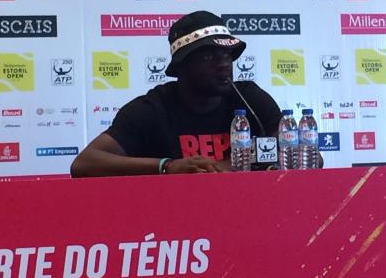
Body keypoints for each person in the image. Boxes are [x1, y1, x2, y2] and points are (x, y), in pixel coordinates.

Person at [70, 10, 283, 177]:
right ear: (182, 66)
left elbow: (296, 152)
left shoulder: (249, 98)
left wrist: (228, 166)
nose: (224, 65)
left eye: (227, 55)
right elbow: (84, 163)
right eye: (209, 58)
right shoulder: (152, 109)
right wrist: (167, 166)